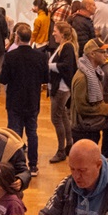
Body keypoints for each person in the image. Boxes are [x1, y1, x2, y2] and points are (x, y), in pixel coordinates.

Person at [1, 23, 48, 175]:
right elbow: (45, 78)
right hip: (33, 99)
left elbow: (3, 79)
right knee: (32, 132)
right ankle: (33, 165)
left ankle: (17, 164)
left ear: (17, 37)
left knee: (15, 133)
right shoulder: (40, 56)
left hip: (15, 100)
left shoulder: (10, 56)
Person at [47, 21, 79, 164]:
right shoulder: (65, 46)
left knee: (56, 118)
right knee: (64, 117)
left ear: (63, 33)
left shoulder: (67, 47)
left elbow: (66, 66)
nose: (53, 33)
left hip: (61, 88)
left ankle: (61, 150)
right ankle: (69, 144)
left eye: (55, 31)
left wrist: (49, 66)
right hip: (60, 87)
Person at [71, 39, 108, 147]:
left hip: (89, 128)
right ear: (92, 54)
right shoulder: (83, 77)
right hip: (83, 130)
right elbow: (82, 108)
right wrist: (106, 109)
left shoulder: (92, 73)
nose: (106, 55)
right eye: (103, 52)